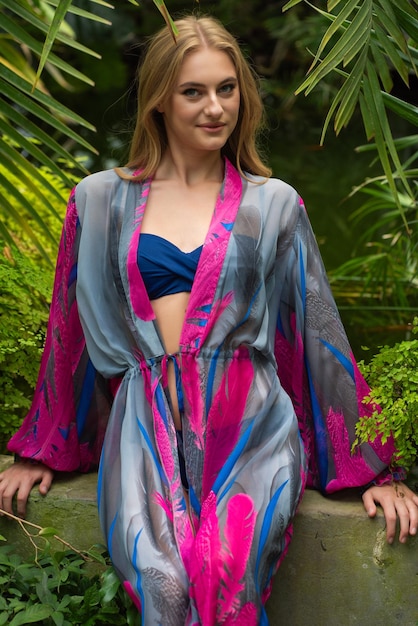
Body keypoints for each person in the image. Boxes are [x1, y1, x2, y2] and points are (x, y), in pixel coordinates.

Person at [0, 15, 417, 626]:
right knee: (161, 582)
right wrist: (43, 445)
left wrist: (372, 468)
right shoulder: (96, 201)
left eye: (228, 88)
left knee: (228, 569)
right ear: (158, 102)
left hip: (250, 424)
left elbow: (315, 335)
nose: (215, 107)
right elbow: (70, 330)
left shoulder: (273, 204)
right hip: (144, 425)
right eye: (193, 91)